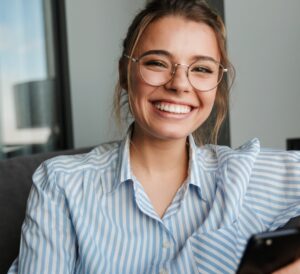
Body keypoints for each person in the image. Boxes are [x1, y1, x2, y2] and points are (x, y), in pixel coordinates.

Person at [8, 0, 300, 273]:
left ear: (217, 83)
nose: (179, 85)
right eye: (157, 63)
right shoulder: (61, 184)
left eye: (201, 69)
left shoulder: (245, 174)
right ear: (125, 73)